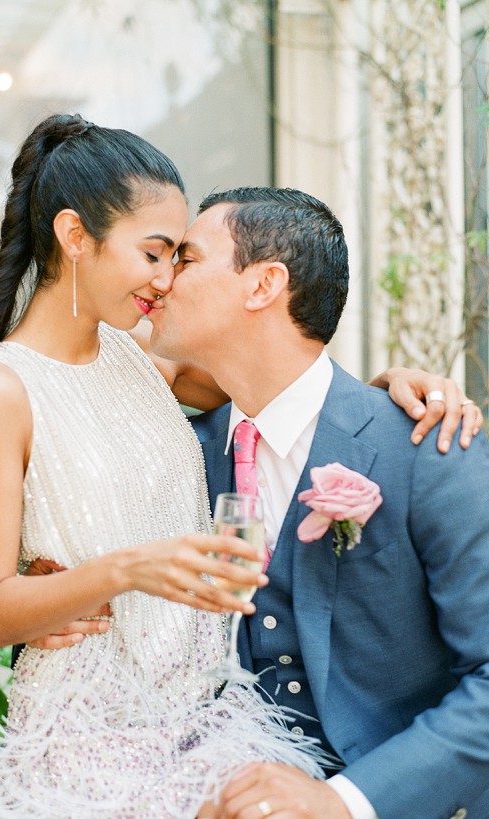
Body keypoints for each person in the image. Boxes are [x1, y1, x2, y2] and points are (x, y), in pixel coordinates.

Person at [0, 112, 477, 816]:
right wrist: (117, 570)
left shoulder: (153, 364)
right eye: (156, 253)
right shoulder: (4, 388)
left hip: (220, 731)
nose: (164, 279)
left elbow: (294, 394)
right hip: (92, 734)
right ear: (75, 237)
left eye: (181, 257)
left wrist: (393, 388)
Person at [142, 186, 488, 819]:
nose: (161, 279)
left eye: (186, 259)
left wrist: (345, 803)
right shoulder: (185, 452)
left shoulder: (427, 446)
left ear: (263, 285)